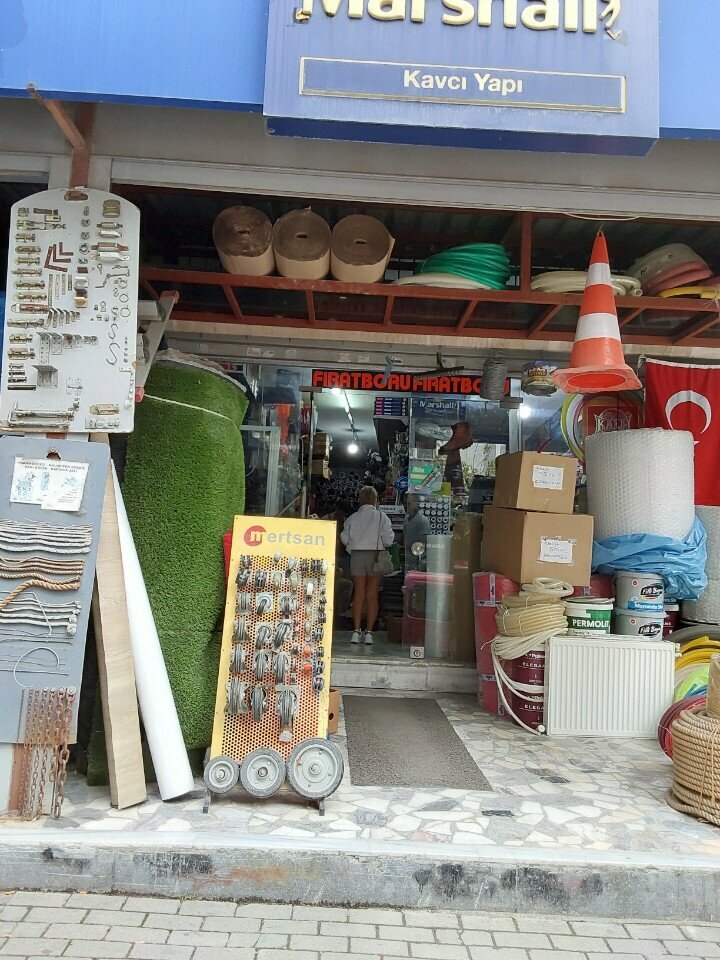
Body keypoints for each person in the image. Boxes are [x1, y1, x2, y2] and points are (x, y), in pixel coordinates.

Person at [340, 486, 394, 645]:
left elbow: (344, 538)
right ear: (375, 501)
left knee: (358, 594)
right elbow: (388, 540)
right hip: (375, 557)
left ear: (360, 500)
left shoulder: (352, 518)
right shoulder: (382, 517)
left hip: (357, 556)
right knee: (372, 595)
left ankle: (356, 631)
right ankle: (369, 632)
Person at [403, 493, 431, 570]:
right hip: (408, 559)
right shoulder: (406, 519)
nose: (405, 506)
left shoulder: (422, 521)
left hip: (417, 561)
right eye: (404, 503)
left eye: (408, 503)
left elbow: (423, 544)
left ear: (416, 504)